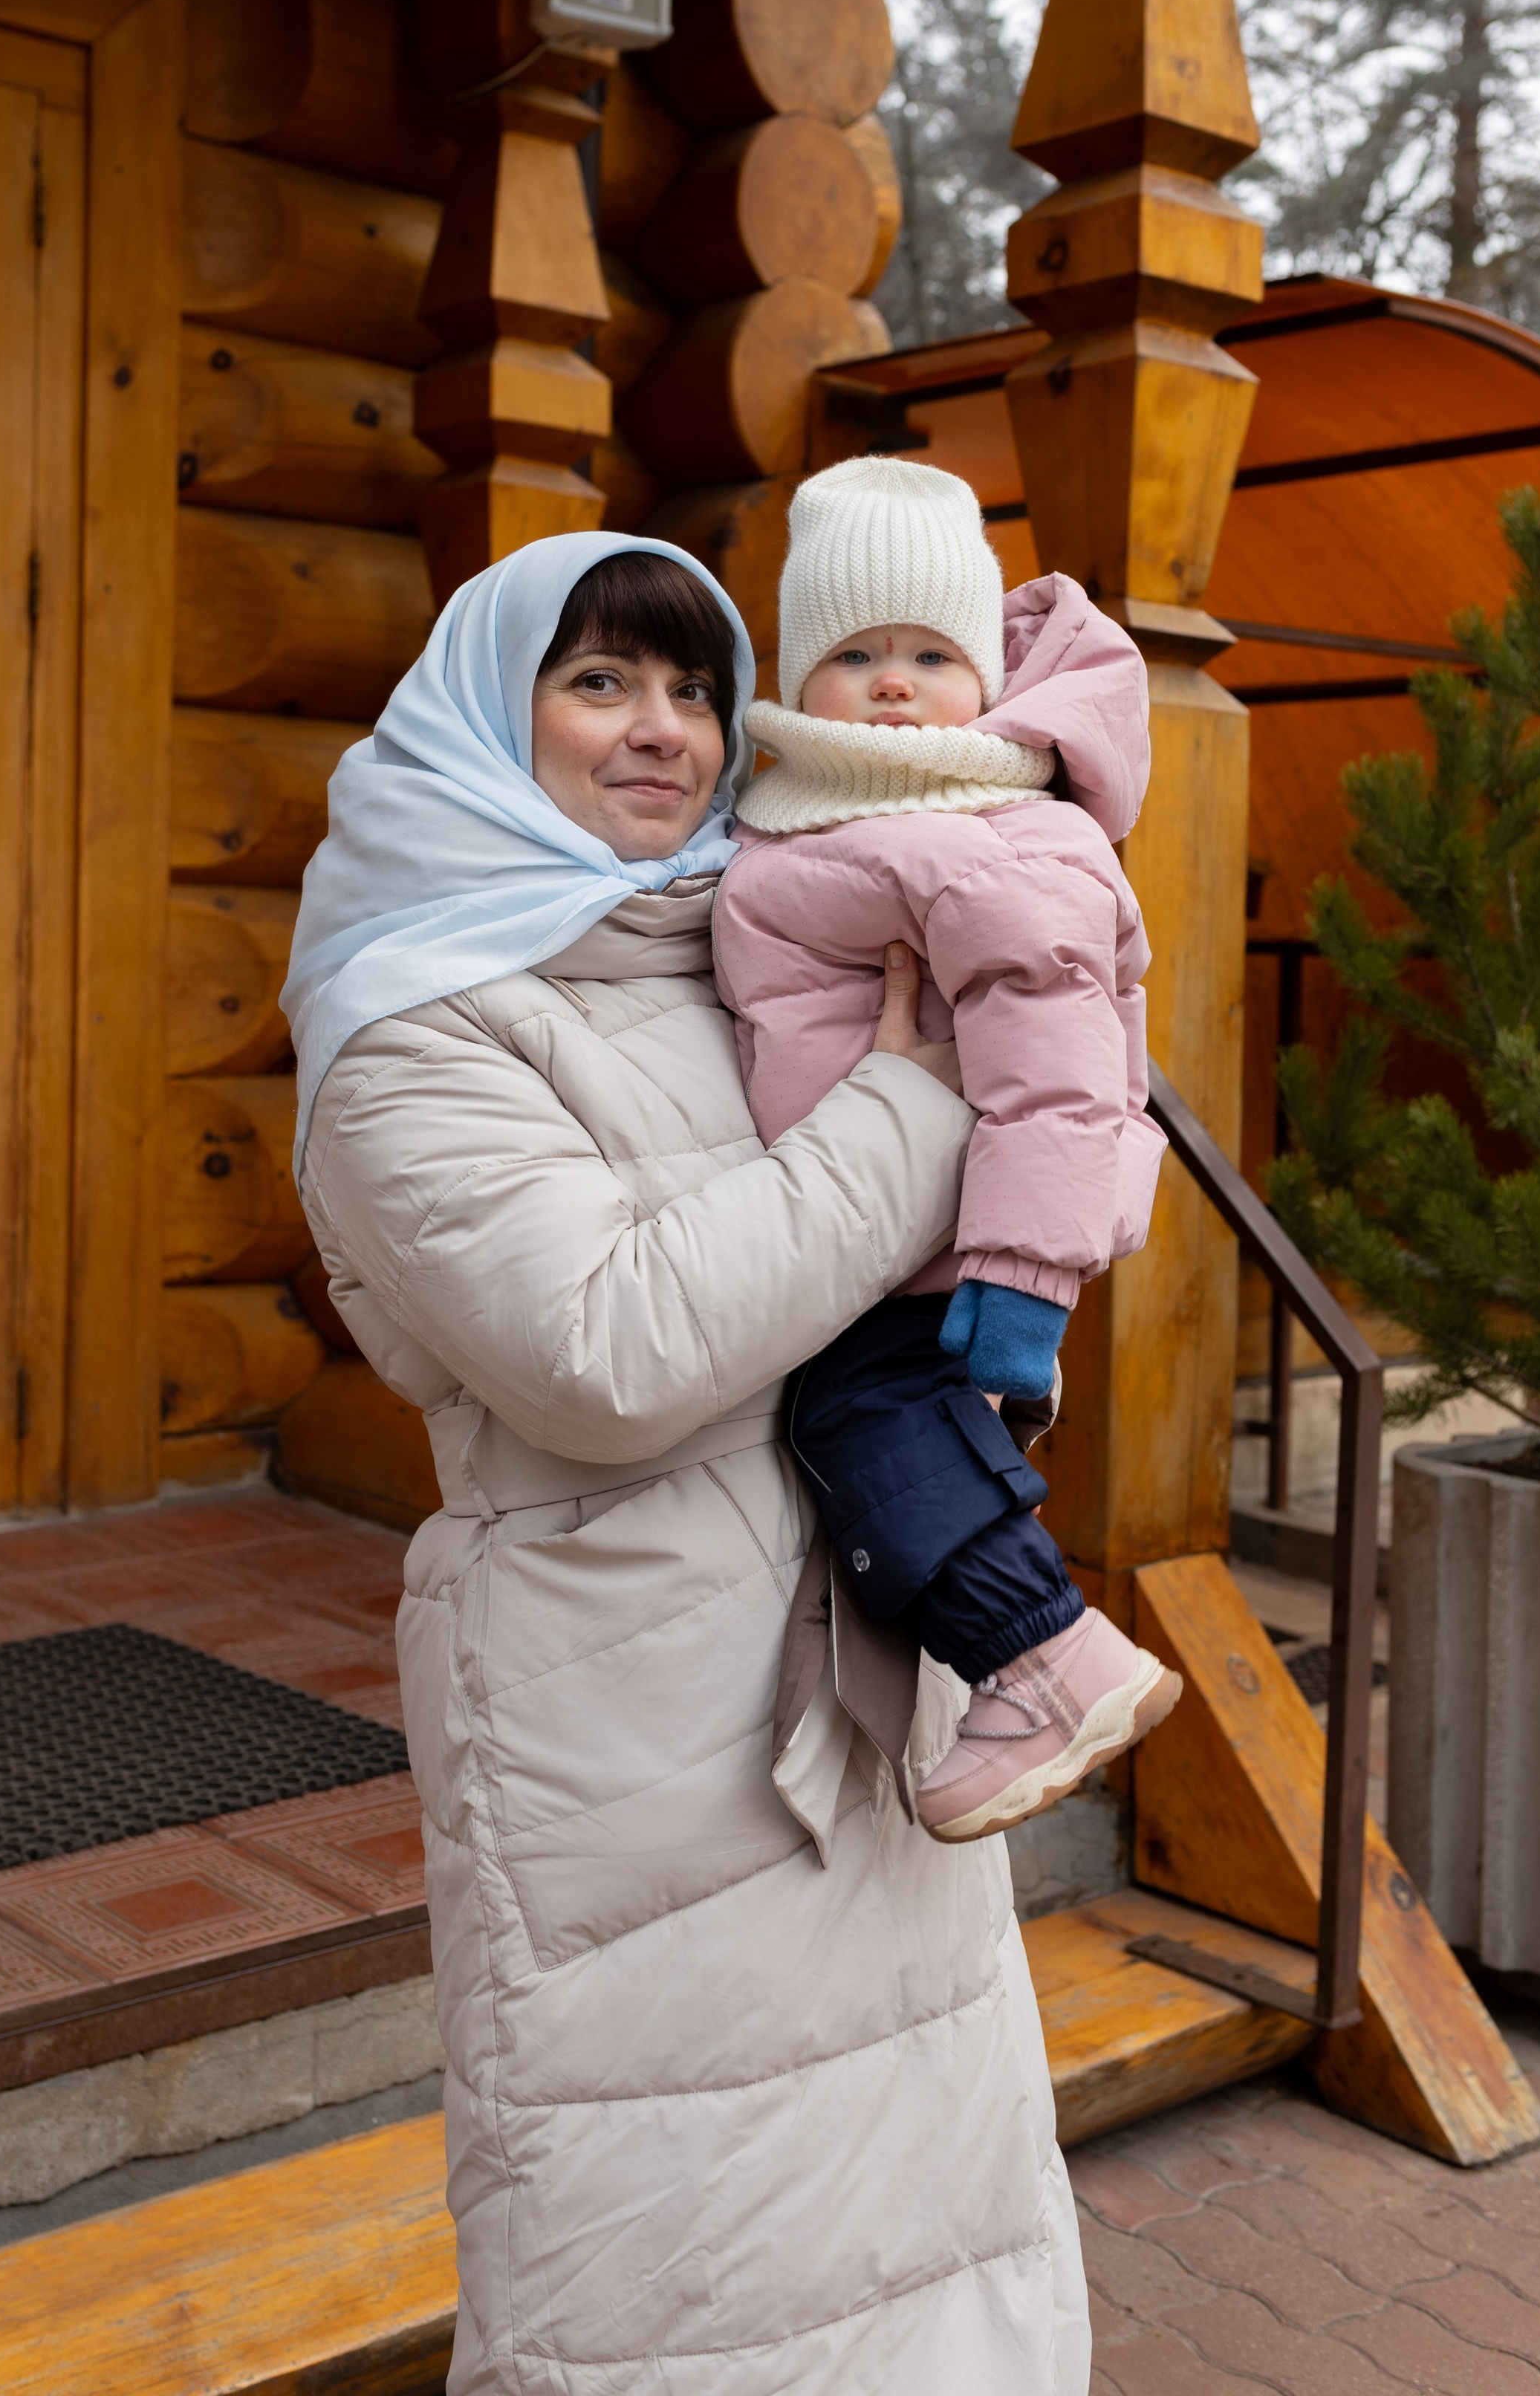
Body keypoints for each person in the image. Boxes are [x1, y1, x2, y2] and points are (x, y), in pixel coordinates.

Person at [283, 530, 1091, 2396]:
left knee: (926, 2231)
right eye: (597, 682)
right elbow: (609, 1352)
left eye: (695, 689)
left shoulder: (753, 942)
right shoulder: (412, 1024)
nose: (661, 729)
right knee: (680, 2257)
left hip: (859, 1668)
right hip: (629, 1725)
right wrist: (920, 1101)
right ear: (486, 717)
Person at [712, 457, 1180, 1847]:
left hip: (952, 1230)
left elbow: (1060, 1060)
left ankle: (1042, 1657)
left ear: (985, 679)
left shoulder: (978, 830)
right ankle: (1029, 1659)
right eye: (856, 655)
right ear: (802, 674)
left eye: (931, 656)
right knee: (861, 1416)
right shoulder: (833, 809)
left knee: (859, 1413)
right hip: (878, 1214)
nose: (895, 687)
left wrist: (1024, 1276)